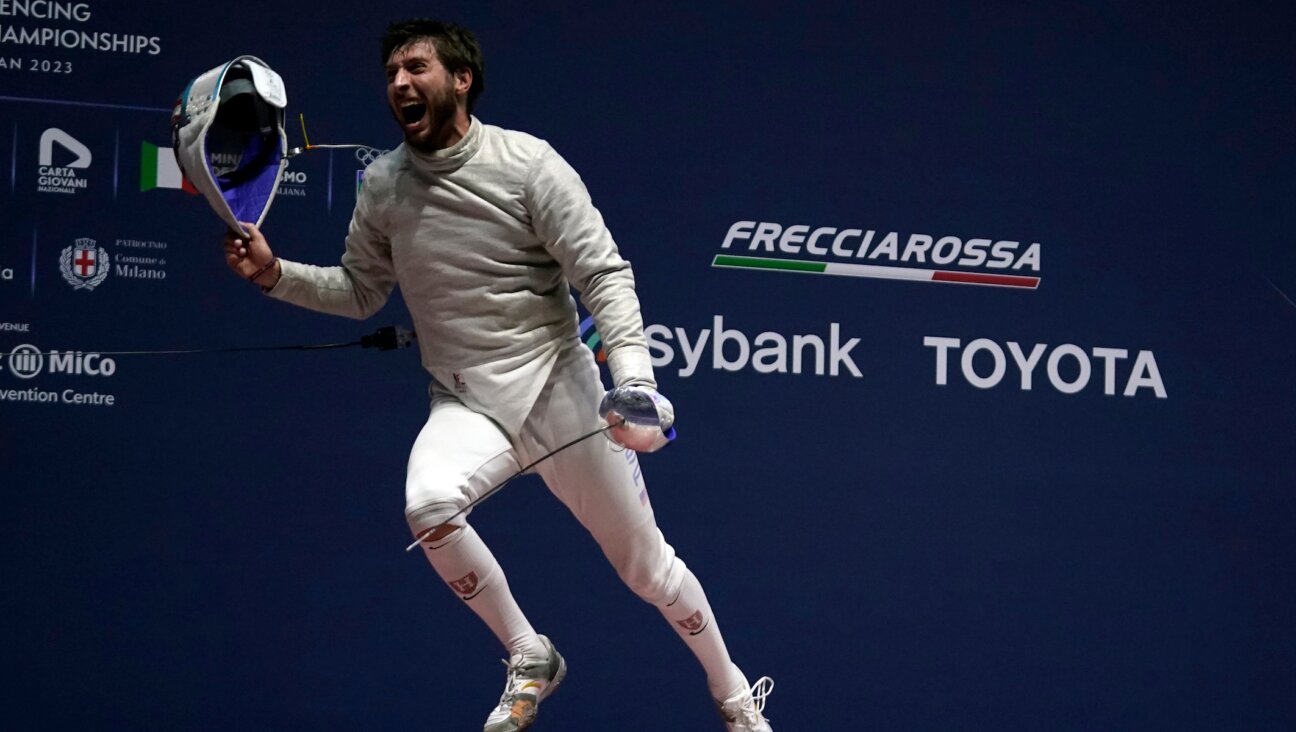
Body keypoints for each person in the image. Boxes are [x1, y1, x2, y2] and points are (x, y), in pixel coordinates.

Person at [222, 18, 773, 732]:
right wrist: (273, 275)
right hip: (465, 401)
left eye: (415, 67)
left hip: (559, 390)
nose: (398, 83)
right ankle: (528, 652)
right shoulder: (384, 185)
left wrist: (632, 379)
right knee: (428, 506)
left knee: (648, 572)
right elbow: (359, 291)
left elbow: (603, 275)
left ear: (461, 79)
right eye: (390, 72)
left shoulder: (527, 164)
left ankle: (733, 696)